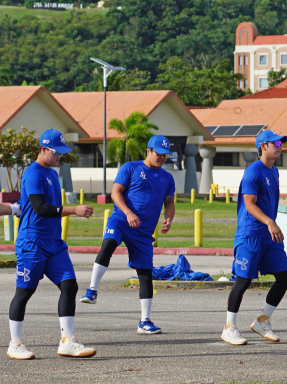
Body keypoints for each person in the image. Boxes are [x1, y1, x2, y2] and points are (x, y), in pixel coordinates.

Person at [8, 129, 96, 360]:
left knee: (70, 286)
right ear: (43, 149)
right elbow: (40, 208)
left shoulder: (51, 173)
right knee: (25, 292)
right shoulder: (33, 172)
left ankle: (67, 341)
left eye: (62, 153)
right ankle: (15, 343)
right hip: (32, 242)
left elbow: (24, 205)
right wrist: (73, 210)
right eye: (56, 152)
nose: (60, 157)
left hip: (54, 243)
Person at [80, 135, 176, 335]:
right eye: (159, 154)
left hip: (143, 232)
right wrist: (128, 212)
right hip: (122, 220)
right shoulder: (130, 168)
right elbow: (115, 193)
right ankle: (92, 289)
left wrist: (168, 219)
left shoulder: (167, 178)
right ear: (148, 151)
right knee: (108, 245)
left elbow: (169, 203)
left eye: (165, 155)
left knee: (145, 274)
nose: (162, 158)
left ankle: (144, 322)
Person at [221, 130, 287, 345]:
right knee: (243, 281)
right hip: (250, 234)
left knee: (285, 278)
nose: (280, 146)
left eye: (281, 142)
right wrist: (269, 221)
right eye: (276, 142)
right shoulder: (253, 172)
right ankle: (229, 327)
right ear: (263, 146)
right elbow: (249, 204)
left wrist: (271, 224)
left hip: (269, 235)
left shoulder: (275, 171)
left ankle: (262, 321)